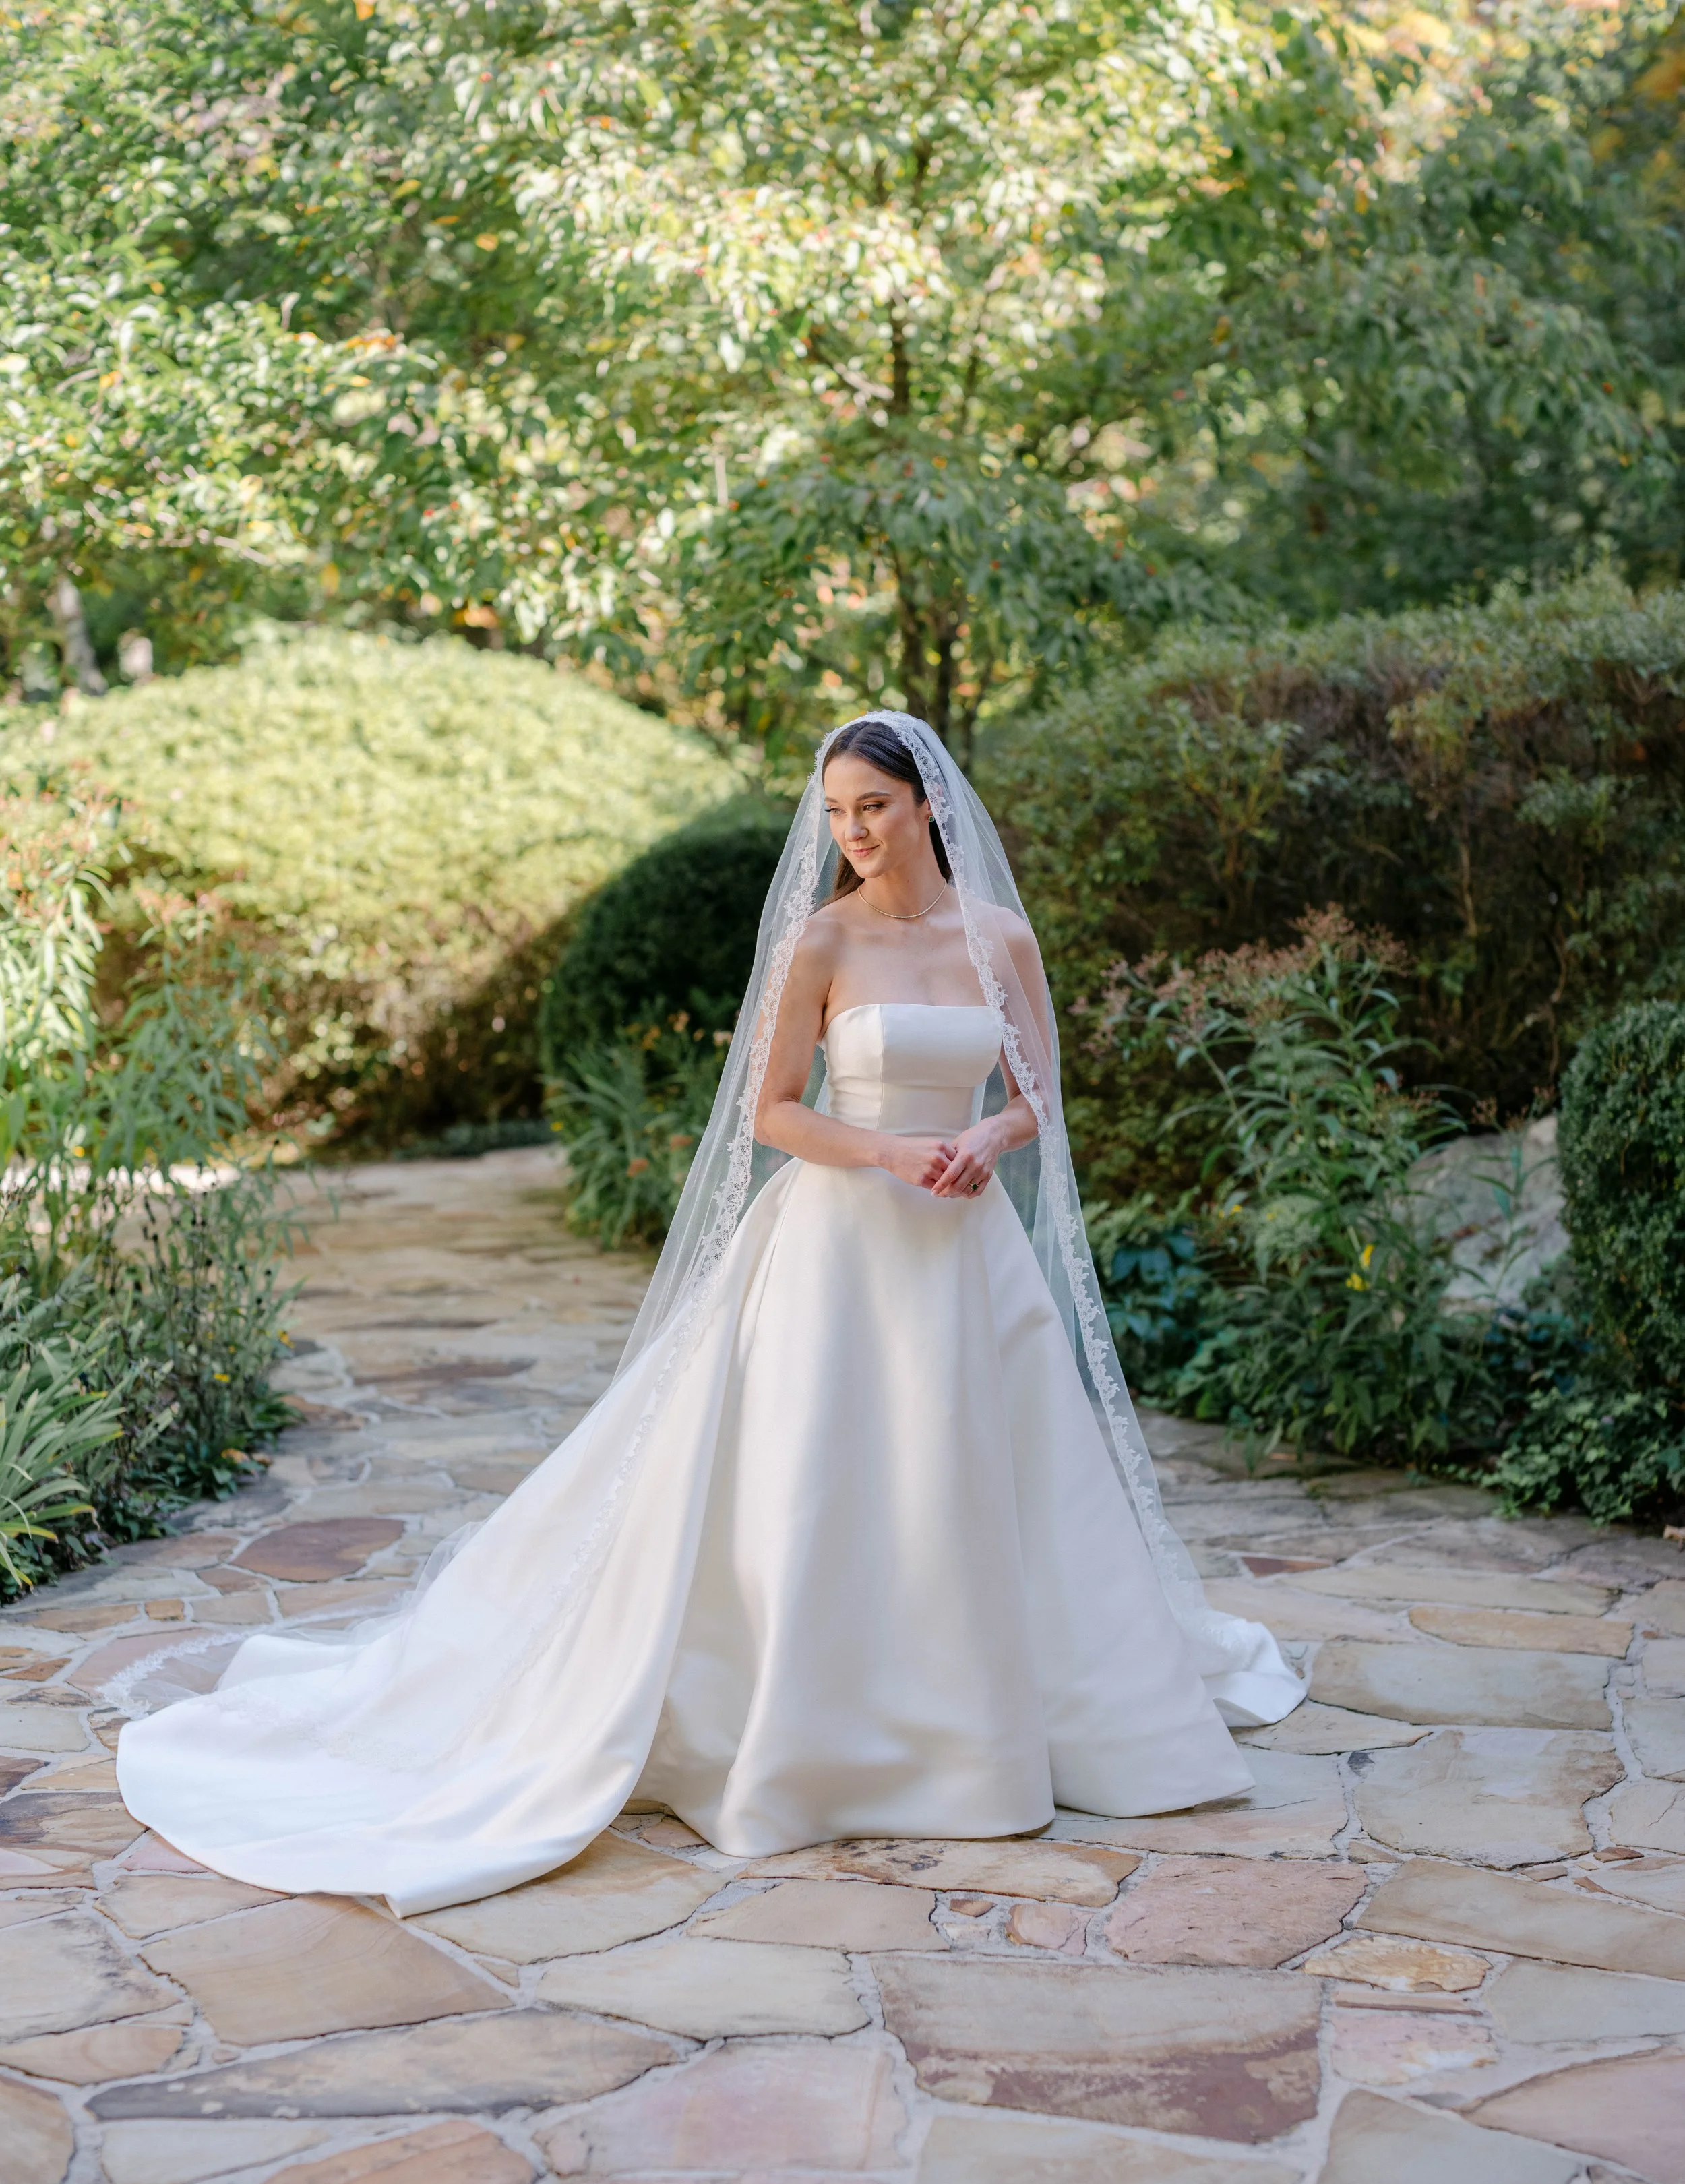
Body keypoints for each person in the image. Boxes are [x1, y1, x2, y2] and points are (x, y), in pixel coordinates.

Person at [115, 713, 1302, 1916]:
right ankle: (813, 1737)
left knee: (977, 1476)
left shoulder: (1001, 937)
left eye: (873, 808)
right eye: (837, 811)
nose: (852, 831)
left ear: (929, 804)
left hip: (968, 1248)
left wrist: (988, 1137)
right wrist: (891, 1151)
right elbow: (774, 1112)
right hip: (843, 1245)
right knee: (819, 1480)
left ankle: (990, 1724)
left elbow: (1038, 1093)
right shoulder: (821, 941)